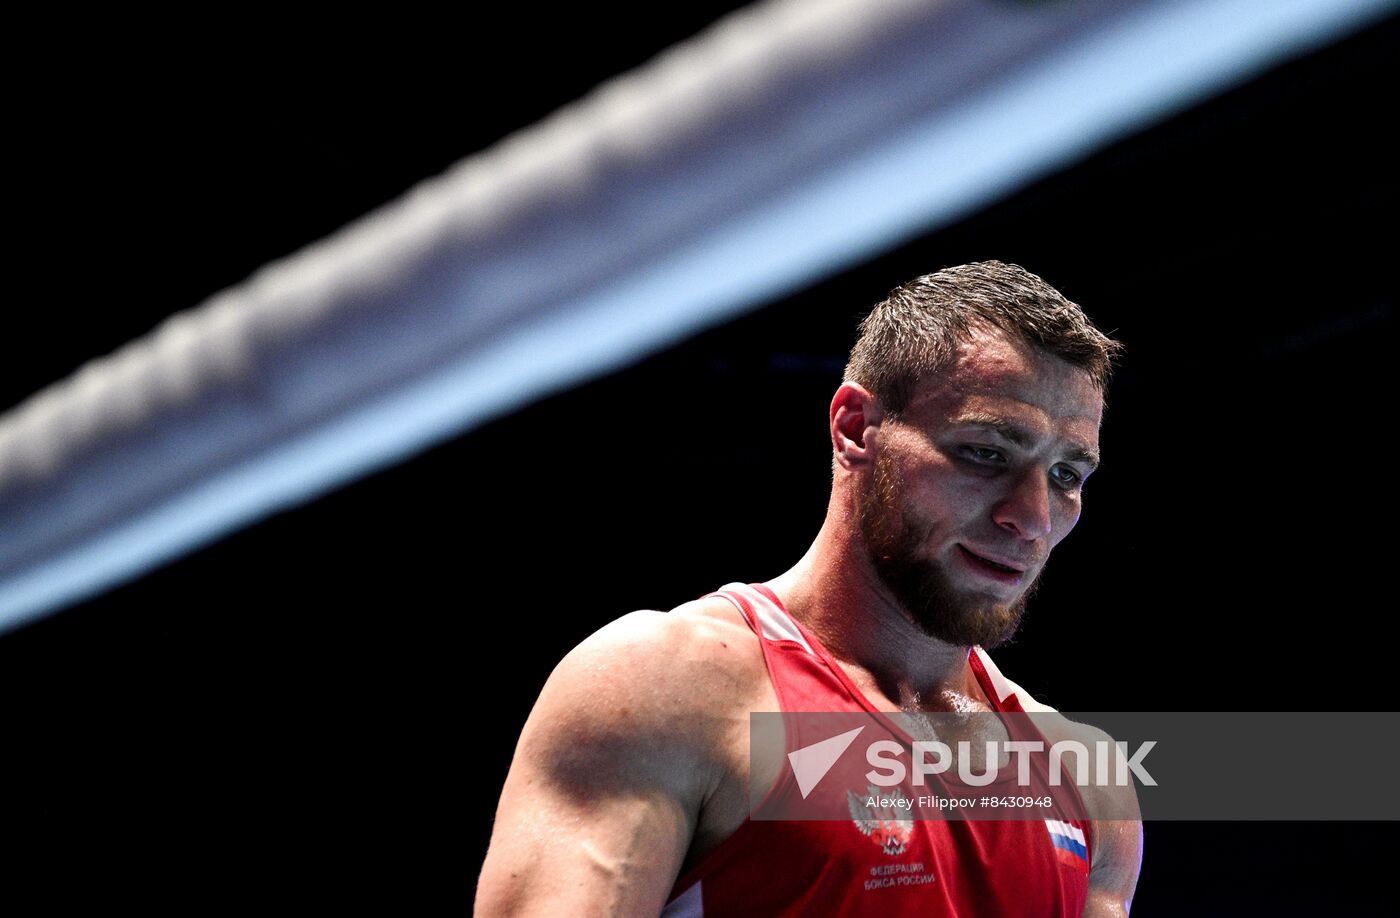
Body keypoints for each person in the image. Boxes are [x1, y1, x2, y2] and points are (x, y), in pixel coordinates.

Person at [475, 261, 1143, 916]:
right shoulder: (667, 690)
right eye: (986, 453)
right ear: (855, 428)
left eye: (1065, 475)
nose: (1031, 518)